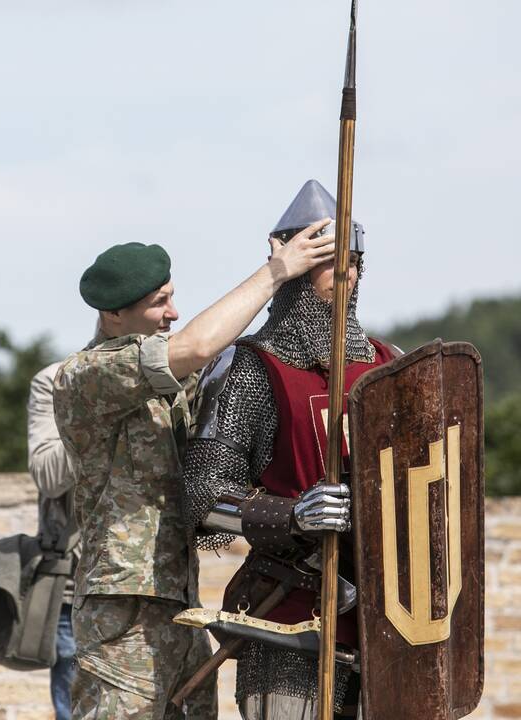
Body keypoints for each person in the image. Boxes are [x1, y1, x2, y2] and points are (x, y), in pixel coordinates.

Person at [53, 224, 335, 720]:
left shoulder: (165, 383)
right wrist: (277, 271)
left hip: (178, 600)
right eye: (159, 302)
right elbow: (199, 345)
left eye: (173, 297)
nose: (173, 313)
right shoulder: (88, 374)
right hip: (123, 608)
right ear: (113, 313)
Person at [183, 180, 398, 719]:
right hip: (293, 616)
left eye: (353, 262)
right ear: (297, 266)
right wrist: (293, 513)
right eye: (329, 262)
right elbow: (201, 495)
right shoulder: (254, 367)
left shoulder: (391, 365)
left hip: (390, 618)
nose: (344, 275)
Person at [28, 358, 81, 720]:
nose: (172, 315)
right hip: (75, 591)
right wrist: (99, 412)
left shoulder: (181, 375)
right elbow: (48, 475)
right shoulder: (56, 380)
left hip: (159, 589)